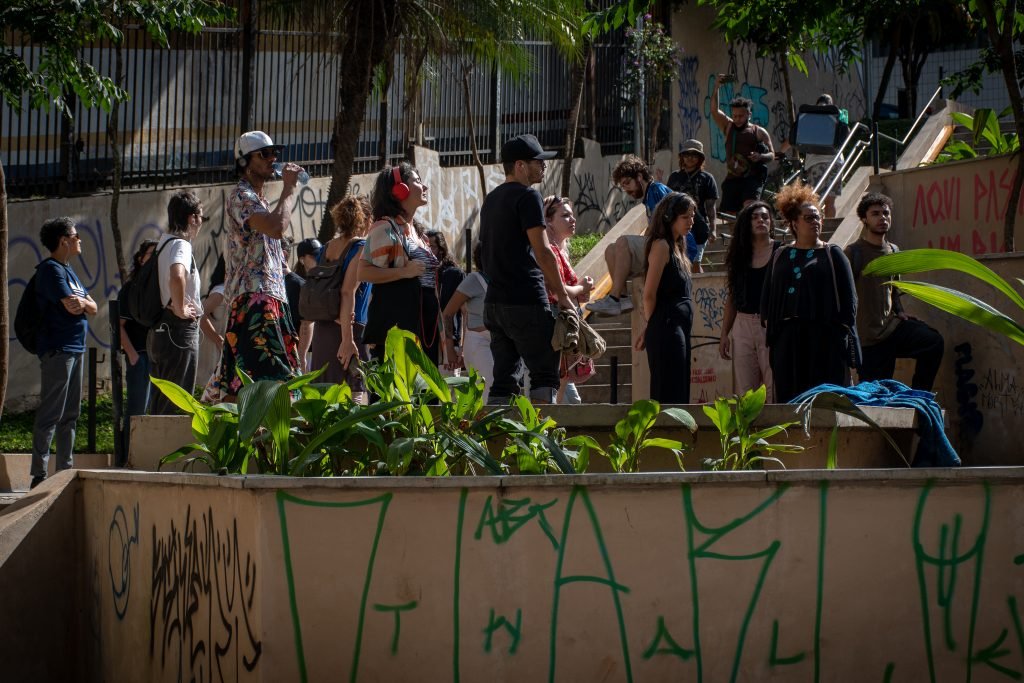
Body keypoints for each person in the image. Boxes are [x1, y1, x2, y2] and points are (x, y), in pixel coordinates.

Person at [203, 130, 305, 402]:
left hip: (269, 296)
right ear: (245, 162)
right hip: (254, 299)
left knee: (245, 378)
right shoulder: (241, 196)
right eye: (265, 154)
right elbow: (276, 228)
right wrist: (290, 189)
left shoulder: (259, 201)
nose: (273, 158)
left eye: (275, 153)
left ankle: (243, 438)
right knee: (263, 379)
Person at [480, 133, 572, 405]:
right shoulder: (528, 196)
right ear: (519, 165)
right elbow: (543, 252)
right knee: (544, 376)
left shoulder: (492, 200)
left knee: (504, 379)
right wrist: (563, 296)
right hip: (526, 301)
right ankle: (542, 445)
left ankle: (497, 443)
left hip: (495, 304)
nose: (543, 166)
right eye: (538, 161)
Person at [761, 183, 857, 403]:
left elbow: (850, 300)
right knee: (790, 399)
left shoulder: (833, 254)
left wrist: (840, 333)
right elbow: (767, 296)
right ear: (794, 223)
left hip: (825, 340)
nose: (816, 222)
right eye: (809, 218)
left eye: (818, 217)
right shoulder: (780, 255)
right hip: (788, 341)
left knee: (825, 399)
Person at [845, 192, 944, 391]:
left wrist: (900, 312)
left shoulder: (893, 250)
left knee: (933, 342)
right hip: (869, 339)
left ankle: (918, 397)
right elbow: (843, 294)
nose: (882, 218)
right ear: (864, 219)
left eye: (886, 213)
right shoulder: (853, 252)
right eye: (875, 214)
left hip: (892, 329)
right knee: (874, 397)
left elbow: (894, 287)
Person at [29, 217, 98, 488]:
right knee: (52, 413)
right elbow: (72, 305)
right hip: (59, 349)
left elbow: (92, 307)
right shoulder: (51, 270)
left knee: (71, 414)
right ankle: (39, 475)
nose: (79, 239)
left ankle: (64, 471)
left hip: (75, 348)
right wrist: (83, 303)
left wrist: (84, 302)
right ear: (63, 241)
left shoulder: (69, 271)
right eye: (75, 235)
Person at [359, 163, 440, 363]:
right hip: (399, 328)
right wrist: (403, 272)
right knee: (398, 392)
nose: (425, 187)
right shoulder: (385, 227)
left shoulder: (420, 234)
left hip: (423, 325)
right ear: (399, 189)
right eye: (418, 181)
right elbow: (363, 272)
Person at [587, 155, 671, 316]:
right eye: (623, 186)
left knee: (623, 241)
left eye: (627, 183)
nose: (626, 189)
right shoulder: (649, 198)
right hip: (656, 246)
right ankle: (623, 298)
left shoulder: (656, 190)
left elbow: (664, 226)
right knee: (610, 250)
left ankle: (614, 298)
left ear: (639, 177)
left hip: (666, 248)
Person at [634, 193, 695, 403]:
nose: (691, 221)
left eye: (692, 216)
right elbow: (649, 294)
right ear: (670, 217)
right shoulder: (661, 246)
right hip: (666, 328)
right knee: (668, 391)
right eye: (685, 217)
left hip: (677, 326)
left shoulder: (679, 247)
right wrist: (651, 325)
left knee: (680, 390)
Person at [311, 195, 373, 401]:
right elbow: (348, 291)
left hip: (324, 325)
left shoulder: (327, 247)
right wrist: (348, 339)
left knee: (324, 392)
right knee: (358, 389)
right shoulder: (361, 247)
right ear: (367, 219)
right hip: (351, 327)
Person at [148, 191, 205, 415]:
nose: (201, 223)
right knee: (178, 402)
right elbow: (177, 274)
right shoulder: (181, 244)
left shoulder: (163, 243)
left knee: (164, 398)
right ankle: (168, 448)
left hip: (161, 329)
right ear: (192, 218)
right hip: (179, 330)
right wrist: (181, 309)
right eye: (201, 217)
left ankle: (156, 449)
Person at [719, 202, 779, 400]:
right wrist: (724, 333)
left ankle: (774, 430)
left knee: (773, 385)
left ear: (771, 223)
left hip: (771, 323)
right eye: (754, 217)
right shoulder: (739, 256)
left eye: (765, 216)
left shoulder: (781, 251)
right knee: (745, 390)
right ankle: (748, 430)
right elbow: (732, 297)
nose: (761, 220)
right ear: (746, 223)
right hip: (742, 325)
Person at [543, 195, 595, 403]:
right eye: (564, 215)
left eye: (572, 215)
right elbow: (556, 291)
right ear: (548, 222)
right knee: (559, 389)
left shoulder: (561, 251)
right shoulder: (550, 251)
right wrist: (581, 287)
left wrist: (583, 289)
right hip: (557, 323)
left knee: (568, 395)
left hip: (565, 321)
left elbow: (569, 292)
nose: (572, 219)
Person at [711, 74, 775, 214]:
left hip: (752, 179)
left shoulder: (758, 131)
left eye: (741, 116)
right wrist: (717, 87)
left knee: (749, 209)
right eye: (734, 116)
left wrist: (760, 156)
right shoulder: (728, 127)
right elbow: (715, 111)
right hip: (733, 178)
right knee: (730, 216)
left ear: (749, 115)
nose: (737, 119)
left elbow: (772, 154)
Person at [119, 239, 157, 459]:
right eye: (150, 254)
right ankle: (127, 459)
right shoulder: (130, 290)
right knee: (136, 410)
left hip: (156, 358)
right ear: (140, 259)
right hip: (140, 358)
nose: (153, 259)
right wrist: (133, 356)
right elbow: (119, 326)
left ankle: (146, 458)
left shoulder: (159, 290)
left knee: (153, 413)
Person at [442, 241, 492, 402]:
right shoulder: (474, 279)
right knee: (487, 393)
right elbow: (448, 313)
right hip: (480, 344)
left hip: (500, 344)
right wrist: (450, 349)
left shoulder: (503, 279)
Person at [666, 139, 720, 273]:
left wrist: (713, 229)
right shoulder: (674, 177)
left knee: (695, 263)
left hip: (699, 227)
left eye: (694, 155)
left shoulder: (707, 178)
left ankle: (699, 291)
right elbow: (667, 202)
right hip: (676, 226)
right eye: (687, 154)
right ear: (682, 157)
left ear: (700, 158)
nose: (690, 158)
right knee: (680, 263)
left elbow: (710, 207)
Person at [426, 229, 466, 365]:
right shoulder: (422, 274)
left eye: (431, 247)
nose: (428, 250)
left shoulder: (454, 275)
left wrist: (460, 346)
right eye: (425, 246)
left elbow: (464, 313)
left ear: (441, 249)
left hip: (450, 341)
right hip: (427, 339)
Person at [283, 238, 316, 371]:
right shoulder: (272, 284)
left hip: (299, 354)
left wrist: (301, 356)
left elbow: (307, 322)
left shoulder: (299, 285)